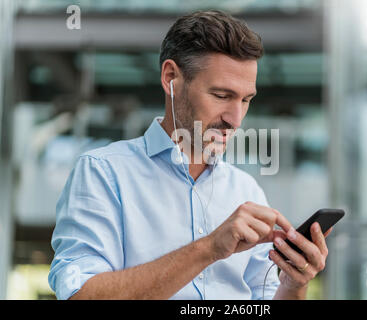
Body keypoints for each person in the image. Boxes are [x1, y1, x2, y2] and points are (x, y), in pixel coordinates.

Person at [48, 9, 332, 300]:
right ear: (171, 77)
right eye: (222, 96)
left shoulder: (246, 191)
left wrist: (293, 285)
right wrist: (208, 248)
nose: (236, 119)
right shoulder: (103, 173)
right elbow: (80, 295)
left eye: (246, 100)